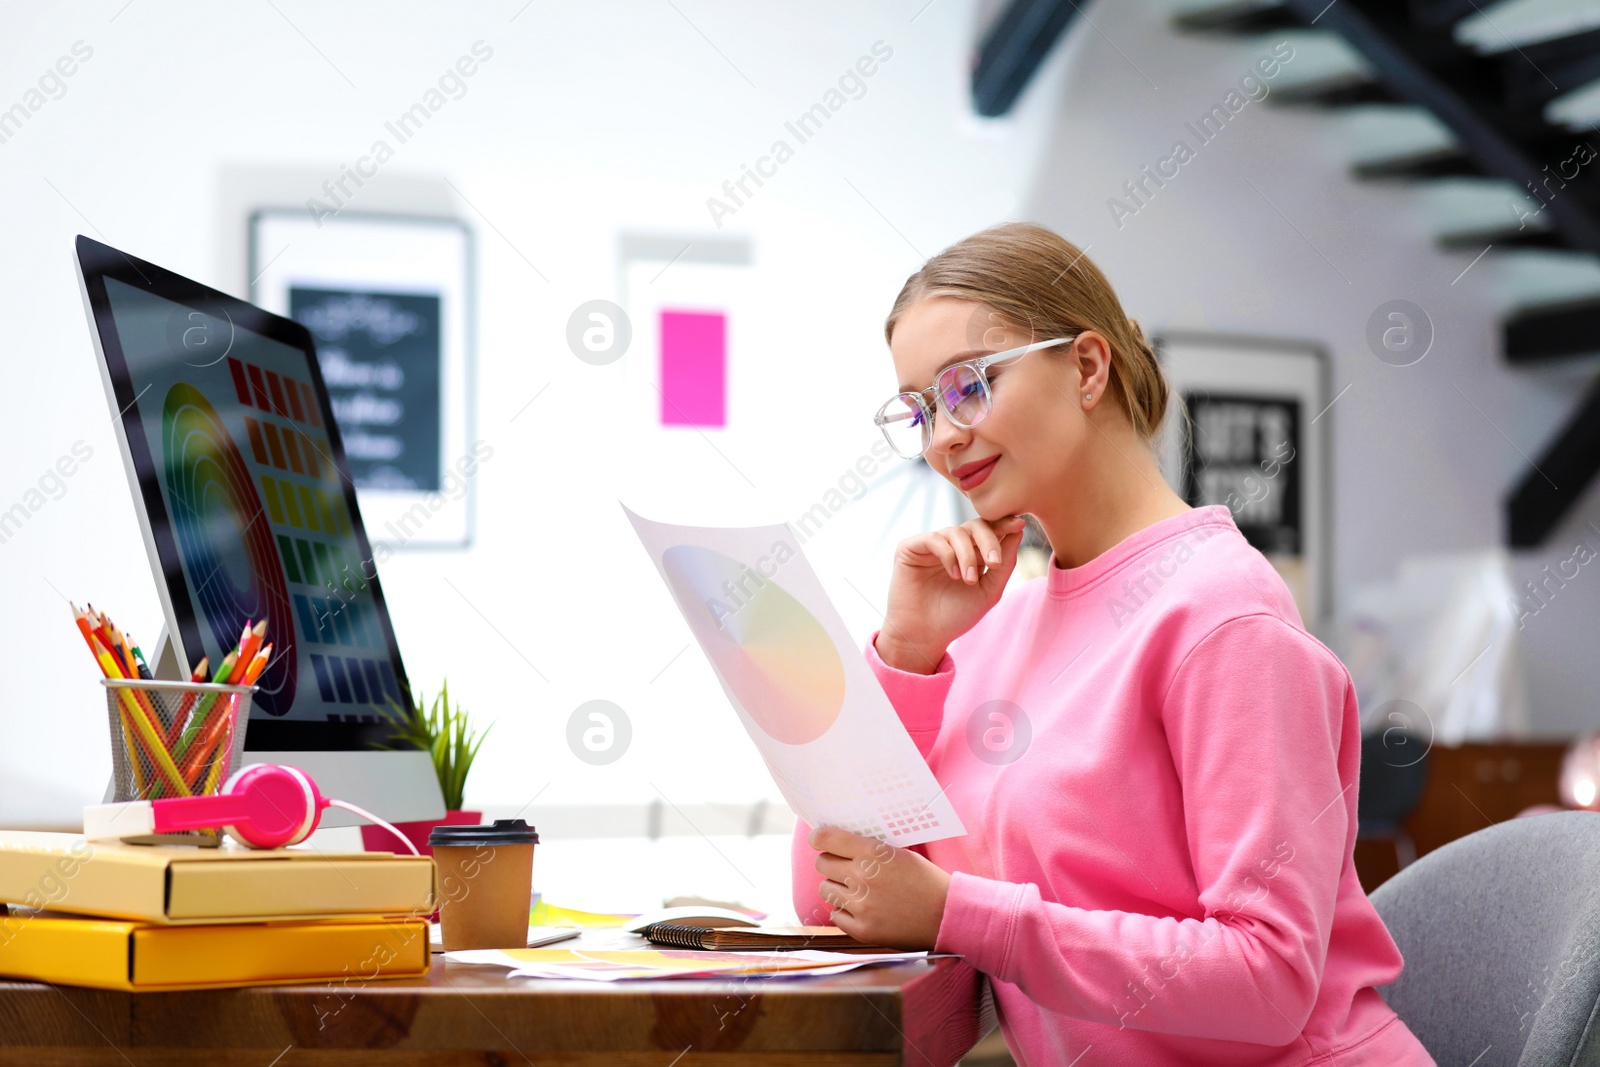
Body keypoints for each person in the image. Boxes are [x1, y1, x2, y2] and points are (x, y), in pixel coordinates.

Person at [790, 223, 1435, 1065]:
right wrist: (905, 653)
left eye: (970, 385)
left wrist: (961, 913)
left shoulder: (1223, 618)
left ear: (1088, 368)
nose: (942, 437)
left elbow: (1269, 978)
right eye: (919, 410)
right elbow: (824, 898)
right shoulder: (991, 624)